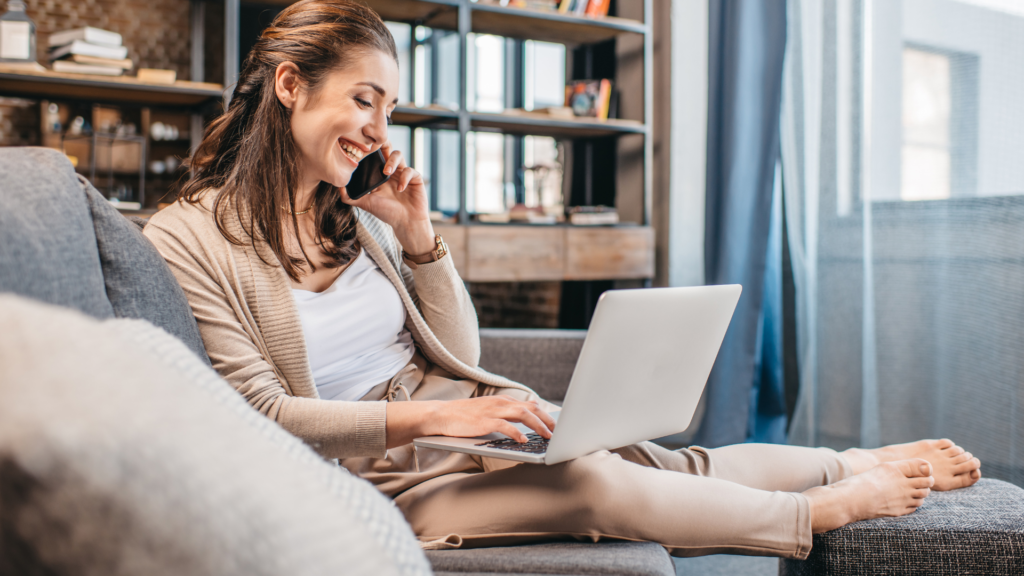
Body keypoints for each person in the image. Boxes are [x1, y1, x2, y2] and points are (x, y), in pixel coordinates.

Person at [144, 0, 982, 559]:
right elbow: (260, 413)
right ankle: (816, 516)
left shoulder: (354, 219)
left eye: (389, 109)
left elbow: (460, 352)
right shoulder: (189, 237)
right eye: (365, 100)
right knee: (593, 480)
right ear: (290, 87)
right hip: (374, 475)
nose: (378, 127)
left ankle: (850, 463)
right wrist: (447, 415)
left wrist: (419, 239)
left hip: (451, 424)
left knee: (661, 460)